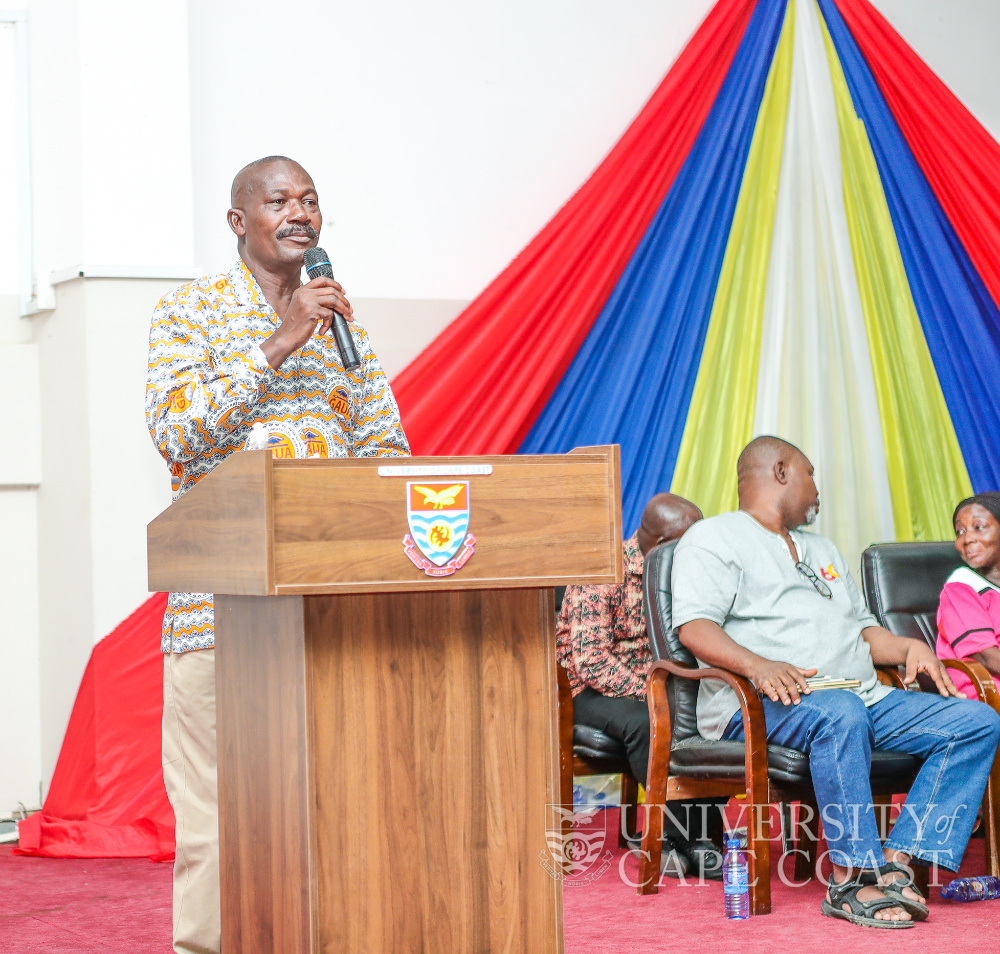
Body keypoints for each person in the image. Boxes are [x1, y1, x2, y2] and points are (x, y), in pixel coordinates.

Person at [145, 156, 409, 954]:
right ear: (238, 221)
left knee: (331, 814)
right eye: (278, 201)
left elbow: (386, 450)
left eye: (310, 201)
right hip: (217, 615)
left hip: (328, 614)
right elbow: (176, 431)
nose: (299, 213)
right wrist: (281, 341)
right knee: (219, 828)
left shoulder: (346, 325)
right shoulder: (189, 313)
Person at [671, 436, 1000, 929]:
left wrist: (908, 647)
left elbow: (864, 631)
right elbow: (694, 627)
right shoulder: (713, 538)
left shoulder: (822, 548)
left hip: (860, 696)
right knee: (840, 711)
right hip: (766, 703)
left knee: (975, 721)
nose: (816, 489)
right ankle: (850, 877)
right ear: (780, 472)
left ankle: (899, 863)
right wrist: (759, 665)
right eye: (810, 475)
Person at [557, 492, 726, 879]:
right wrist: (652, 693)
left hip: (662, 685)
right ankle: (677, 838)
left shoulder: (688, 571)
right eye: (690, 540)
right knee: (648, 722)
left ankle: (699, 835)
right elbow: (592, 659)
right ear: (662, 543)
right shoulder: (603, 568)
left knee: (714, 716)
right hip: (588, 690)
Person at [937, 492, 1000, 699]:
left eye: (978, 527)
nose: (967, 539)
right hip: (985, 690)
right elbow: (985, 656)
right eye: (960, 532)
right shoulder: (961, 586)